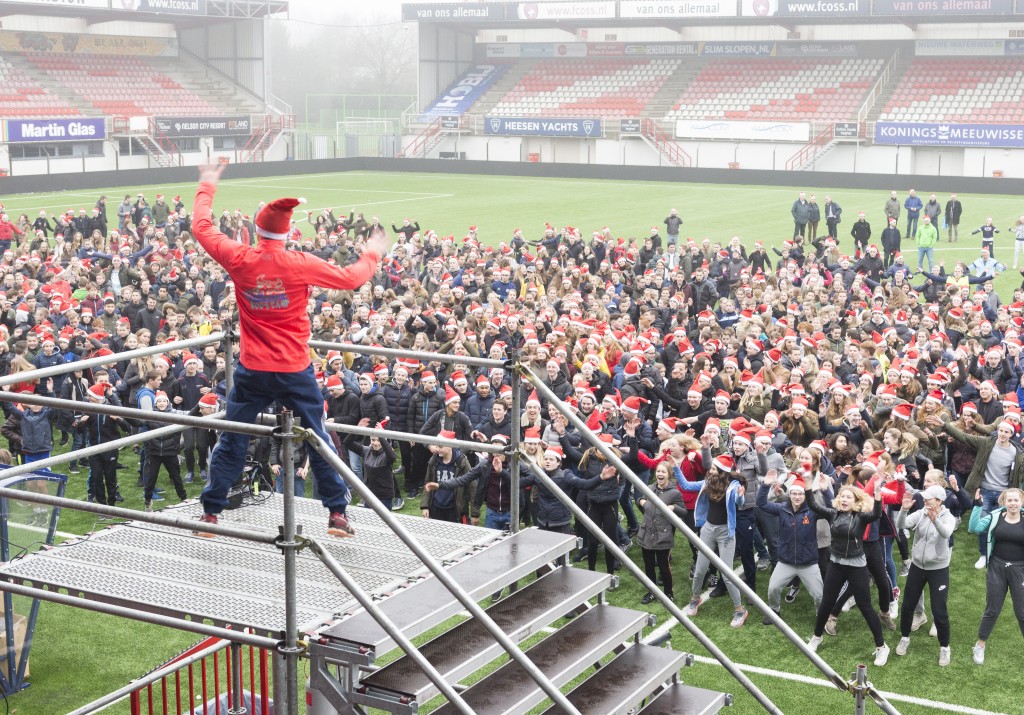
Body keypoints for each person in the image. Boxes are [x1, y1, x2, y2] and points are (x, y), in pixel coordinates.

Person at [191, 162, 388, 538]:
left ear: (257, 230)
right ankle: (337, 515)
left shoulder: (240, 257)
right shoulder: (299, 262)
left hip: (252, 370)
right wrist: (372, 252)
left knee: (233, 436)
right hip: (295, 369)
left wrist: (208, 185)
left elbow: (202, 227)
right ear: (286, 234)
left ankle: (211, 514)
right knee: (318, 437)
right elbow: (352, 278)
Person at [806, 473, 890, 667]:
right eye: (842, 496)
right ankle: (816, 637)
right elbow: (813, 505)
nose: (844, 500)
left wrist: (877, 491)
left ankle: (881, 647)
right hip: (836, 563)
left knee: (865, 607)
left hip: (856, 567)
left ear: (856, 501)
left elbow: (877, 514)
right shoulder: (832, 513)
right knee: (827, 602)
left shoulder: (862, 518)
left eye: (848, 497)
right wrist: (808, 483)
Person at [677, 454, 750, 629]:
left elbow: (739, 502)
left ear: (723, 472)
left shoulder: (733, 486)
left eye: (714, 469)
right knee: (700, 570)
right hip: (708, 530)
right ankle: (695, 599)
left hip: (725, 534)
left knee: (727, 574)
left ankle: (740, 610)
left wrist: (741, 496)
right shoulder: (708, 483)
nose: (710, 470)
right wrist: (675, 467)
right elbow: (686, 485)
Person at [894, 484, 955, 666]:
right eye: (925, 497)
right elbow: (901, 524)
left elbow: (945, 534)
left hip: (938, 569)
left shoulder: (948, 517)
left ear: (939, 501)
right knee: (907, 606)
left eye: (929, 498)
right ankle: (905, 638)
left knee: (939, 611)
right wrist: (903, 511)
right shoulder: (921, 512)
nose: (925, 500)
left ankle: (944, 648)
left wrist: (935, 520)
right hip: (917, 567)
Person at [757, 470, 826, 624]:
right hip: (785, 562)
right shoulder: (782, 508)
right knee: (773, 588)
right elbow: (761, 503)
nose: (796, 497)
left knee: (819, 595)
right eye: (794, 494)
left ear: (805, 495)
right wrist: (765, 485)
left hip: (808, 563)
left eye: (800, 494)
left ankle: (821, 617)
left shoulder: (813, 511)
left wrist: (826, 490)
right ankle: (774, 611)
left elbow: (830, 509)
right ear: (789, 495)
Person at [968, 487, 1024, 665]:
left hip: (1020, 570)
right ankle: (980, 645)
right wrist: (977, 506)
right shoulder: (995, 516)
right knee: (992, 609)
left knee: (1022, 613)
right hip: (997, 567)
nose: (1013, 503)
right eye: (1010, 500)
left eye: (1016, 500)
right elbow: (973, 528)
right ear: (1004, 502)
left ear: (1021, 502)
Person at [635, 460, 688, 604]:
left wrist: (673, 508)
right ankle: (652, 592)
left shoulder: (674, 493)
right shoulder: (650, 488)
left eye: (663, 472)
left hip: (663, 535)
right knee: (648, 565)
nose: (660, 474)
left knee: (664, 566)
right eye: (658, 471)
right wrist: (641, 502)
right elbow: (641, 501)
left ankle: (668, 593)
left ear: (669, 475)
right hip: (647, 533)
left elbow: (684, 512)